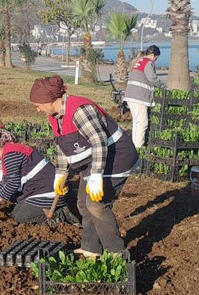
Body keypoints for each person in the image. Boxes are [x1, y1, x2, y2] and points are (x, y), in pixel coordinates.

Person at [30, 75, 139, 257]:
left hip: (117, 156)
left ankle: (116, 252)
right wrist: (60, 173)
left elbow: (99, 142)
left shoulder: (80, 110)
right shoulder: (55, 116)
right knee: (82, 203)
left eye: (38, 104)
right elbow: (61, 145)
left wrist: (96, 175)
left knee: (96, 205)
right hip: (95, 159)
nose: (37, 109)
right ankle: (91, 247)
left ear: (50, 100)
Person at [0, 129, 76, 224]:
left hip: (49, 193)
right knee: (15, 214)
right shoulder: (10, 150)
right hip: (38, 189)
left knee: (21, 218)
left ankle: (60, 215)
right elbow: (7, 180)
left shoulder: (10, 155)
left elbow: (13, 183)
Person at [124, 44, 164, 149]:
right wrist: (163, 86)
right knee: (142, 123)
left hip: (131, 95)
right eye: (156, 57)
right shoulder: (148, 63)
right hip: (139, 97)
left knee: (137, 122)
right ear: (153, 55)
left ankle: (134, 146)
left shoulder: (138, 61)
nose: (156, 60)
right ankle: (138, 148)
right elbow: (152, 78)